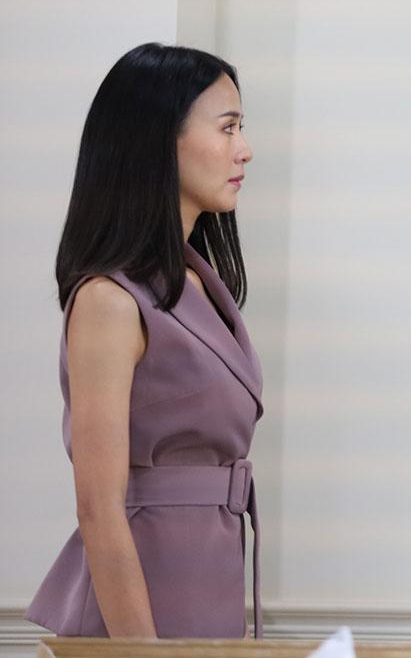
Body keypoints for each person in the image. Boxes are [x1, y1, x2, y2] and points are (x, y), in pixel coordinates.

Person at [25, 44, 263, 639]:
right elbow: (98, 507)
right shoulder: (109, 301)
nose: (245, 149)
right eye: (228, 127)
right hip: (140, 608)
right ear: (160, 140)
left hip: (210, 582)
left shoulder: (200, 283)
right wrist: (142, 653)